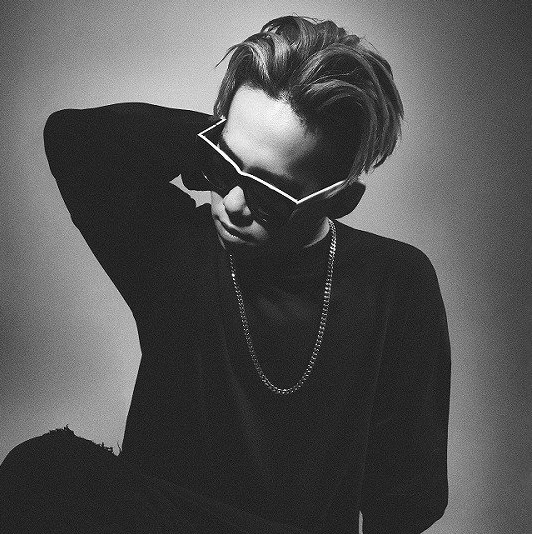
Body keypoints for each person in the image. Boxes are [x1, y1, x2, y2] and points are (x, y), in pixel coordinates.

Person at [0, 15, 450, 534]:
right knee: (42, 470)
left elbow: (407, 501)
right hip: (155, 522)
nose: (233, 203)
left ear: (341, 199)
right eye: (222, 166)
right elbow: (74, 140)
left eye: (268, 192)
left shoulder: (395, 283)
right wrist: (224, 138)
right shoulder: (173, 248)